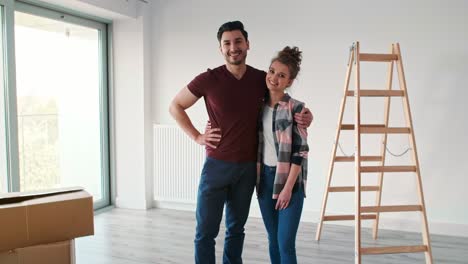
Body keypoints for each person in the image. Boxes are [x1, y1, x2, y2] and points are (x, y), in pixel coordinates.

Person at [168, 21, 312, 264]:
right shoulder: (208, 78)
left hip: (247, 170)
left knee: (236, 230)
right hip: (216, 167)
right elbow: (175, 106)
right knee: (205, 232)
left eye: (238, 41)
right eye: (227, 43)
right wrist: (197, 136)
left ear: (247, 45)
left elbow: (283, 105)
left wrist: (306, 115)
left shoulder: (260, 79)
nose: (233, 47)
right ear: (220, 48)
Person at [256, 46, 309, 264]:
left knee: (285, 243)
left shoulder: (297, 109)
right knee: (273, 240)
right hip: (264, 180)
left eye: (281, 75)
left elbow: (301, 151)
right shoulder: (256, 106)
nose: (274, 78)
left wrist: (287, 188)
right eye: (271, 71)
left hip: (289, 182)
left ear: (290, 81)